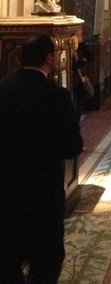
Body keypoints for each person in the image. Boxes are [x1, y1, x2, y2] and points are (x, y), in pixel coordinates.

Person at [0, 34, 83, 283]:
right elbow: (72, 146)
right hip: (42, 192)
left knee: (7, 258)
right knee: (46, 260)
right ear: (49, 58)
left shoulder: (2, 90)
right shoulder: (56, 96)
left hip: (5, 191)